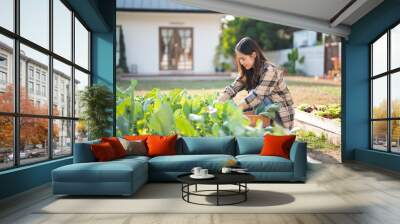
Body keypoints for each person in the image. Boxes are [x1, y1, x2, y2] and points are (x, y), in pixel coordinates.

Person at [217, 37, 295, 130]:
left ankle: (264, 129)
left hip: (281, 118)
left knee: (253, 98)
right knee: (234, 102)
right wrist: (218, 102)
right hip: (265, 113)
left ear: (253, 55)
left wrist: (236, 110)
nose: (241, 62)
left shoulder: (270, 70)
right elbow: (233, 87)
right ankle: (256, 128)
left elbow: (258, 96)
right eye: (239, 59)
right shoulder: (249, 71)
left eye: (243, 58)